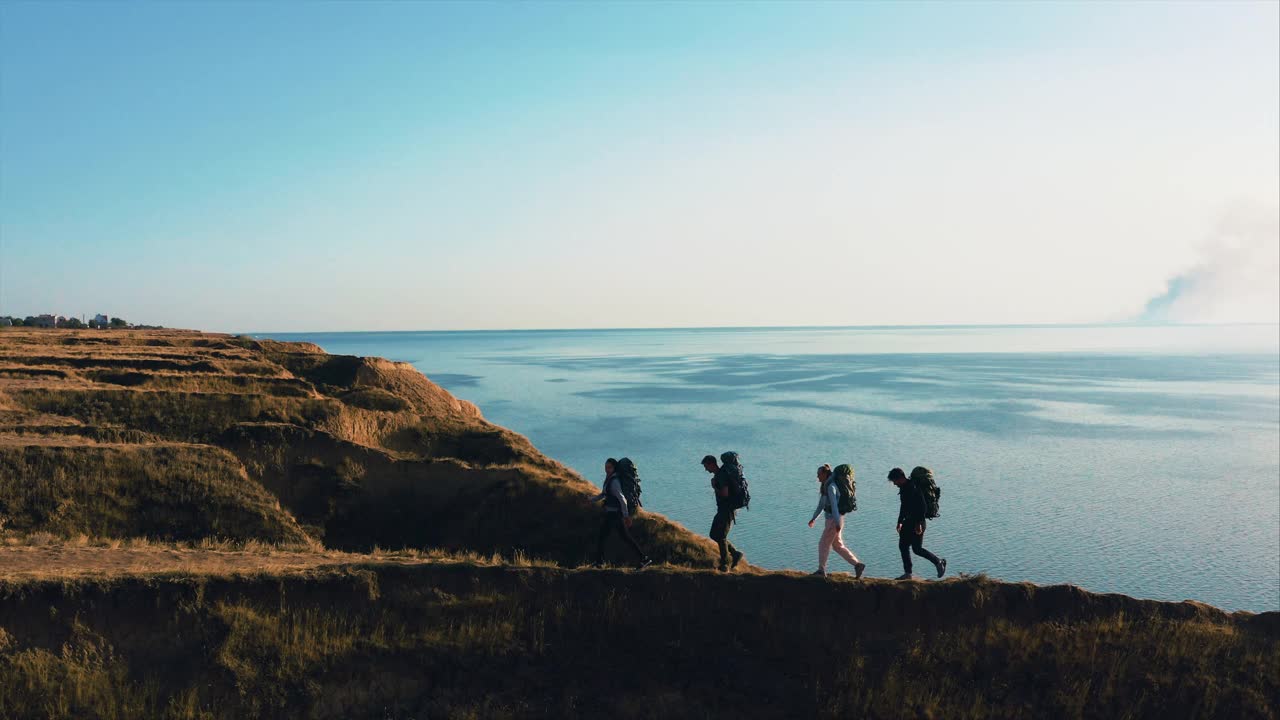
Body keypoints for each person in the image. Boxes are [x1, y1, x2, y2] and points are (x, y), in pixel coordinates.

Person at [808, 463, 865, 578]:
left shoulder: (831, 487)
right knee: (837, 545)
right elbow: (821, 505)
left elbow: (834, 506)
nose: (817, 477)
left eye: (819, 474)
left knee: (823, 544)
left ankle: (821, 570)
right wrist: (814, 518)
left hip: (834, 520)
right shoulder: (827, 485)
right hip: (835, 519)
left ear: (825, 474)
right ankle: (857, 565)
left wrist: (837, 523)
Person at [593, 458, 652, 569]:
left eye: (609, 467)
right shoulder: (609, 479)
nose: (607, 469)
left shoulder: (614, 481)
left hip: (615, 515)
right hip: (611, 514)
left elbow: (622, 499)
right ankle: (599, 561)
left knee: (624, 538)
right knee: (605, 537)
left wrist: (626, 516)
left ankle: (644, 559)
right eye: (606, 467)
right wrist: (590, 499)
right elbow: (603, 494)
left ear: (614, 468)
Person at [888, 467, 946, 579]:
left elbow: (922, 506)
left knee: (917, 549)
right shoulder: (904, 488)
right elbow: (903, 506)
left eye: (894, 481)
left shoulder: (913, 487)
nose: (894, 484)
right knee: (903, 546)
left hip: (917, 522)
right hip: (908, 521)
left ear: (900, 478)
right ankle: (908, 573)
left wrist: (919, 523)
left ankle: (939, 562)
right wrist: (900, 521)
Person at [702, 454, 744, 571]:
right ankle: (734, 554)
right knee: (714, 534)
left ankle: (725, 563)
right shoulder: (720, 475)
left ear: (712, 464)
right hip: (723, 509)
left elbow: (725, 494)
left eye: (706, 466)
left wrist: (714, 487)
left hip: (727, 510)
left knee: (720, 535)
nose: (706, 469)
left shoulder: (721, 476)